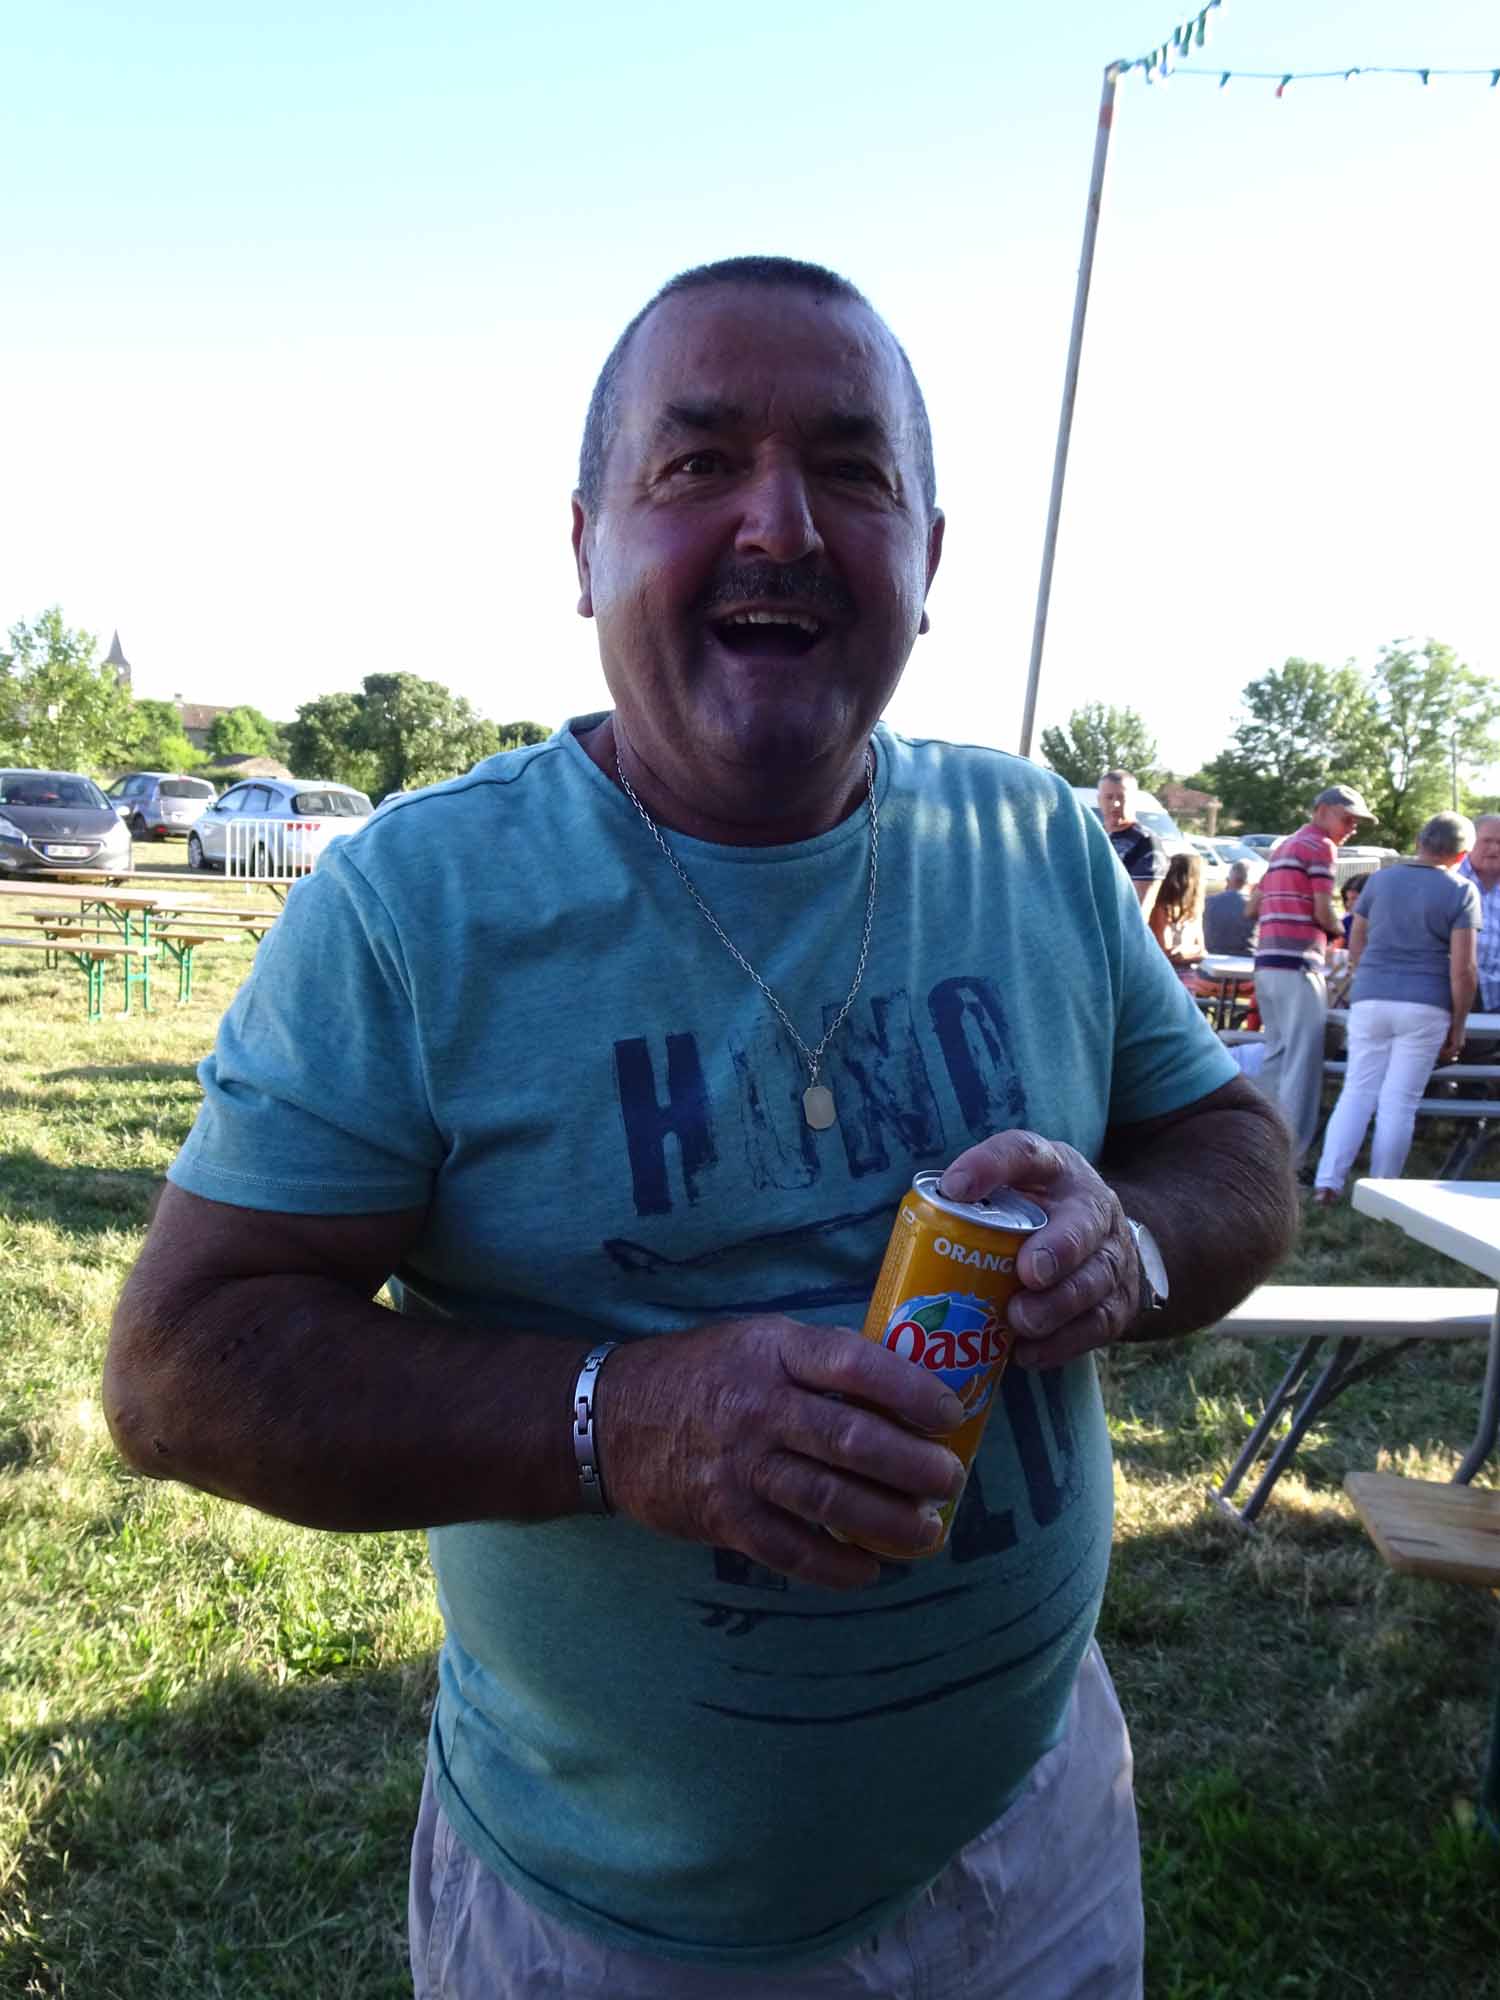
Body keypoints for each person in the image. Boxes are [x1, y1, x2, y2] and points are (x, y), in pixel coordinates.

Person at [102, 255, 1296, 2000]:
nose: (782, 525)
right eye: (699, 463)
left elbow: (1239, 1159)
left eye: (852, 470)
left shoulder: (1033, 841)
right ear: (586, 545)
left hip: (1034, 1838)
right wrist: (622, 1420)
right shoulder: (417, 907)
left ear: (930, 559)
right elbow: (177, 1371)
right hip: (614, 1929)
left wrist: (1136, 1243)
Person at [1313, 814, 1480, 1203]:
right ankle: (1382, 1191)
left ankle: (1327, 1183)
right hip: (1426, 1002)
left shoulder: (1380, 881)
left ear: (1420, 841)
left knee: (1356, 1090)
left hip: (1371, 996)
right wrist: (1458, 1025)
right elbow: (1464, 969)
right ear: (1461, 855)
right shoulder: (1461, 891)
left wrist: (1366, 973)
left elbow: (1357, 939)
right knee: (1399, 1101)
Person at [1250, 783, 1374, 1162]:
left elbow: (1253, 906)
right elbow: (1323, 911)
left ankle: (1258, 1148)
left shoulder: (1284, 846)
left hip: (1267, 962)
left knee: (1275, 1057)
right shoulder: (1321, 847)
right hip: (1299, 962)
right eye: (1347, 818)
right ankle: (1292, 1158)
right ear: (1322, 810)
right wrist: (1341, 933)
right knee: (1302, 1065)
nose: (1352, 828)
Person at [1096, 770, 1168, 916]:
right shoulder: (1093, 836)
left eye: (1121, 797)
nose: (1115, 804)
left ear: (1134, 800)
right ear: (1099, 800)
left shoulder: (1146, 842)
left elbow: (1140, 908)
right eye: (1109, 797)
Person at [1148, 852, 1214, 995]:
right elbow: (1166, 952)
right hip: (1164, 976)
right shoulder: (1160, 909)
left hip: (1187, 976)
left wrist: (1184, 953)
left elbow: (1201, 950)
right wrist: (1188, 952)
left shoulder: (1194, 910)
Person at [1457, 814, 1500, 1012]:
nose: (1495, 849)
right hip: (1453, 995)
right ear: (1470, 843)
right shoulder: (1450, 879)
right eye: (1487, 841)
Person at [1204, 859, 1257, 956]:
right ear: (1253, 885)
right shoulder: (1256, 909)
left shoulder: (1207, 903)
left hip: (1210, 959)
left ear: (1228, 880)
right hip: (1246, 960)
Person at [1339, 872, 1371, 945]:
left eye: (1354, 898)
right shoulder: (1346, 923)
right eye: (1346, 899)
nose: (1348, 904)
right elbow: (1335, 946)